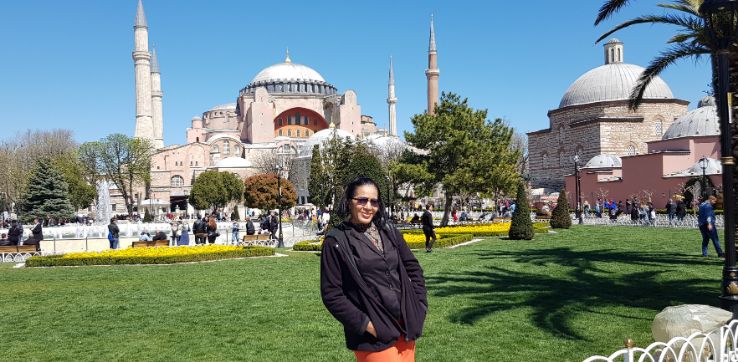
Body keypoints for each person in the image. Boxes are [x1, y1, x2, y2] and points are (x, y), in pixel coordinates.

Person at [320, 177, 428, 361]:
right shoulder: (336, 241)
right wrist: (368, 325)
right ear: (349, 202)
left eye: (374, 201)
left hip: (406, 325)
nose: (368, 206)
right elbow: (332, 294)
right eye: (362, 200)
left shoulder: (388, 230)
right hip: (373, 335)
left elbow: (413, 268)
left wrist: (420, 305)